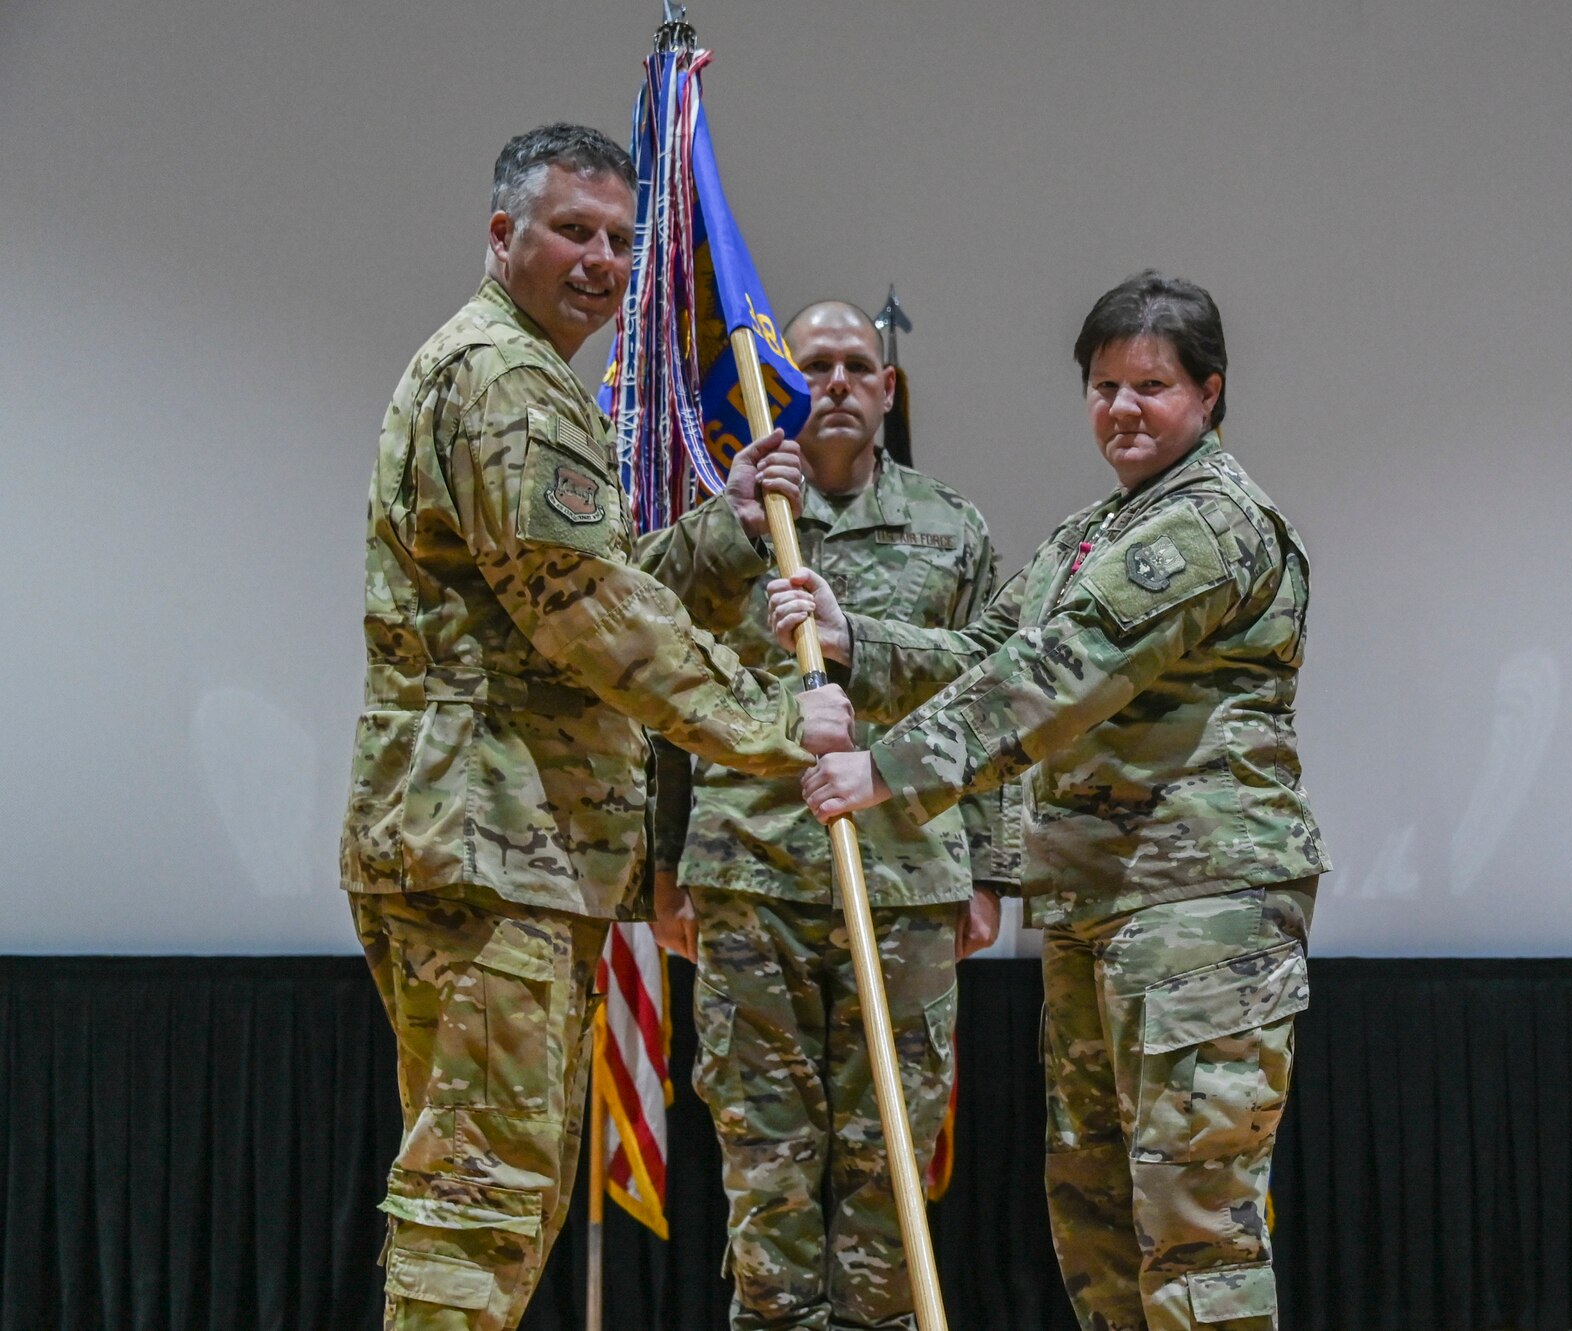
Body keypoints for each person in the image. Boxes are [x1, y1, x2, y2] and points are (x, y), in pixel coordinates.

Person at [339, 123, 851, 1331]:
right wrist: (777, 720)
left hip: (500, 844)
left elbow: (574, 584)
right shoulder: (507, 379)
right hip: (487, 844)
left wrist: (726, 527)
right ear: (502, 233)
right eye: (573, 229)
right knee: (479, 1195)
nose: (603, 260)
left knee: (497, 1183)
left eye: (623, 239)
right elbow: (585, 612)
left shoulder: (517, 374)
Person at [774, 272, 1326, 1331]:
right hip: (1095, 907)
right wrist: (857, 642)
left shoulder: (1206, 525)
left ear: (1208, 393)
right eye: (1103, 385)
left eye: (1150, 386)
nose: (1121, 408)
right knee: (1096, 1224)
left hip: (1198, 911)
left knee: (1195, 1234)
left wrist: (882, 769)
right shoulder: (1096, 528)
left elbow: (1058, 676)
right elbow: (989, 651)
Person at [635, 299, 1017, 1329]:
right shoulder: (728, 528)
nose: (839, 383)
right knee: (767, 1157)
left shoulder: (952, 527)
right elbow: (662, 701)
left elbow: (998, 696)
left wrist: (989, 869)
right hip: (746, 873)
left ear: (888, 391)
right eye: (814, 369)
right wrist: (661, 869)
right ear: (779, 389)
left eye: (857, 366)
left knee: (887, 1159)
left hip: (904, 880)